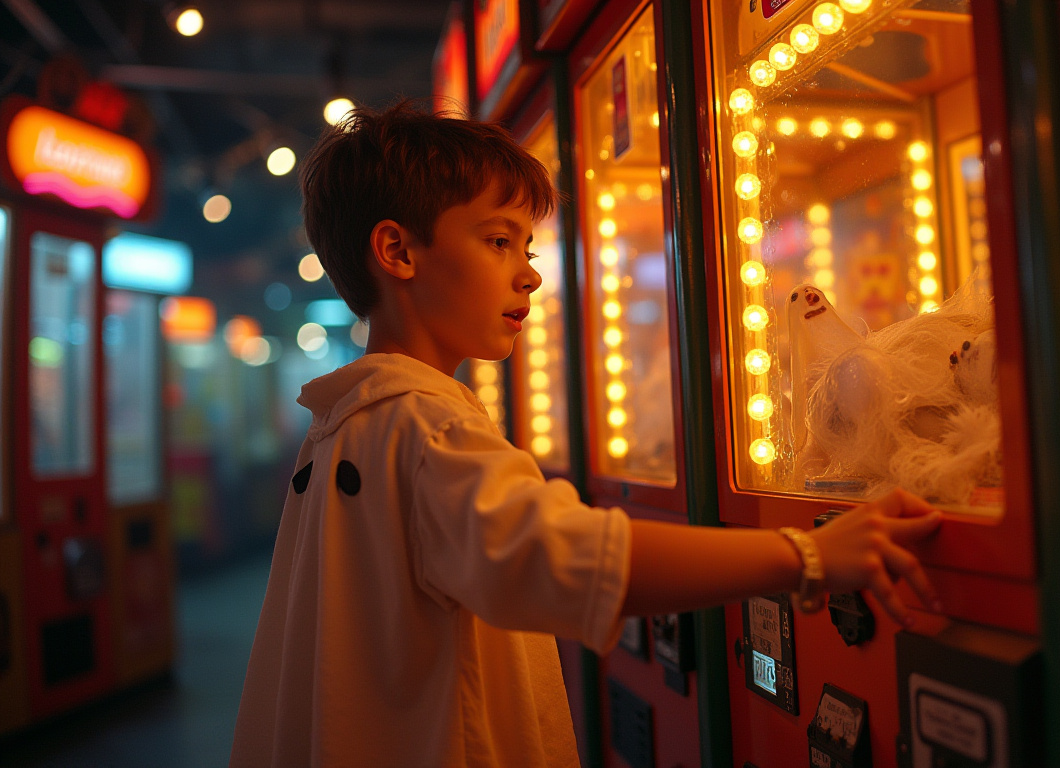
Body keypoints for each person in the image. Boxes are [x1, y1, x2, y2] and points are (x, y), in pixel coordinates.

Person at [228, 99, 943, 768]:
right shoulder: (426, 425)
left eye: (528, 247)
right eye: (498, 240)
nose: (529, 276)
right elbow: (564, 556)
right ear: (398, 252)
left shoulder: (337, 430)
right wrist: (809, 555)